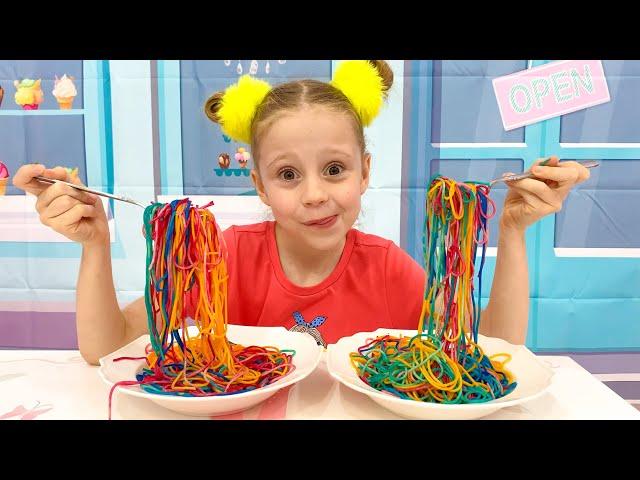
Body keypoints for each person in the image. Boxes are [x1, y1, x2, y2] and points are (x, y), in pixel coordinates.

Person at [12, 60, 590, 364]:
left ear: (365, 171)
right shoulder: (223, 257)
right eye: (288, 175)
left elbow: (495, 348)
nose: (314, 194)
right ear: (260, 186)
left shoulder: (386, 268)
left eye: (334, 169)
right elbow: (105, 347)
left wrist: (512, 230)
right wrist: (94, 245)